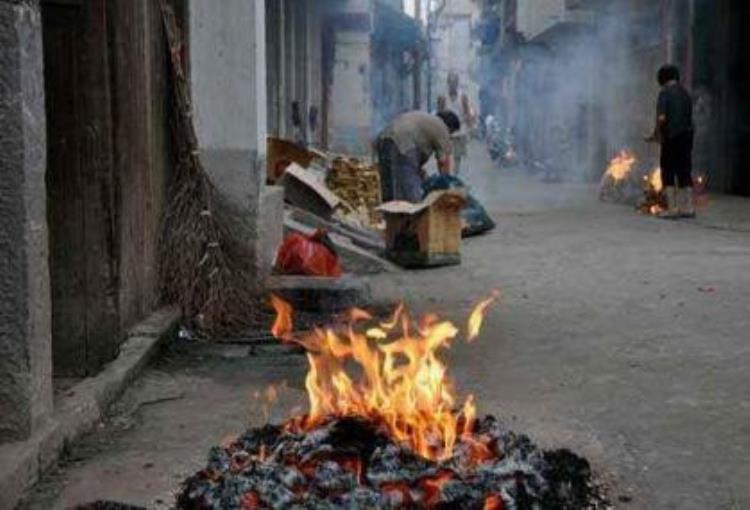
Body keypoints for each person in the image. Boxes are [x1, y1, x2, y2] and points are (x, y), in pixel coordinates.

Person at [375, 110, 460, 203]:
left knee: (389, 191)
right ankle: (411, 215)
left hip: (384, 139)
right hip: (404, 144)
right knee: (410, 196)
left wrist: (419, 172)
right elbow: (443, 163)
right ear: (450, 127)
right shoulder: (442, 127)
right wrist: (446, 188)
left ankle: (388, 215)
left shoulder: (425, 120)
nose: (449, 136)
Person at [646, 64, 696, 218]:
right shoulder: (685, 93)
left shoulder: (665, 93)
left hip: (671, 137)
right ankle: (688, 208)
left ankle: (672, 209)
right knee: (684, 170)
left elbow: (662, 118)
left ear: (662, 78)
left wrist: (656, 134)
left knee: (668, 170)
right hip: (687, 137)